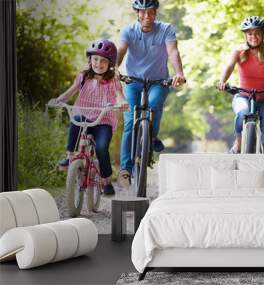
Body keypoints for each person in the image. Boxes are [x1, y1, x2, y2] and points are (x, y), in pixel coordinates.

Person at [116, 0, 185, 188]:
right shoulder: (128, 31)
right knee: (130, 121)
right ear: (137, 13)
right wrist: (114, 67)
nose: (147, 16)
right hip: (133, 81)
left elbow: (173, 52)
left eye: (151, 12)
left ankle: (151, 136)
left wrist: (179, 73)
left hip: (158, 81)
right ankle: (125, 169)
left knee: (154, 105)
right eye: (143, 12)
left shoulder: (166, 29)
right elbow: (121, 50)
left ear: (156, 13)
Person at [48, 39, 128, 195]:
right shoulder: (83, 76)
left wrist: (123, 102)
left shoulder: (113, 79)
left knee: (101, 148)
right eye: (95, 59)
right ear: (90, 59)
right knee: (76, 120)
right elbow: (70, 92)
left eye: (103, 60)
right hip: (84, 115)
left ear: (110, 63)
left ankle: (105, 180)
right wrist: (58, 100)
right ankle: (70, 156)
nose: (98, 63)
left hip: (103, 120)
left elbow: (119, 95)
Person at [217, 16, 264, 154]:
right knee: (242, 112)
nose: (253, 36)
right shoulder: (239, 52)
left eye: (257, 33)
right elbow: (229, 66)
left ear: (263, 34)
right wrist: (222, 81)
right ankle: (238, 142)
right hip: (243, 96)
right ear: (245, 35)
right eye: (250, 33)